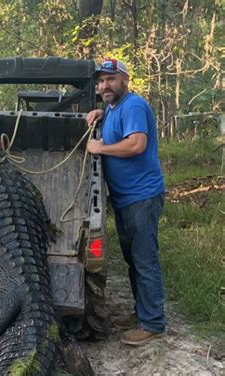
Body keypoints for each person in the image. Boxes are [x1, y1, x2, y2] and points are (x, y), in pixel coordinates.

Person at [86, 58, 166, 346]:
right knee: (134, 260)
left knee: (144, 261)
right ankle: (142, 313)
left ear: (125, 80)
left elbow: (136, 144)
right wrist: (100, 114)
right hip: (126, 198)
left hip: (141, 196)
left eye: (111, 79)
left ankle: (153, 323)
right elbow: (116, 122)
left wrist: (100, 147)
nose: (105, 85)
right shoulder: (113, 107)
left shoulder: (133, 105)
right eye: (101, 81)